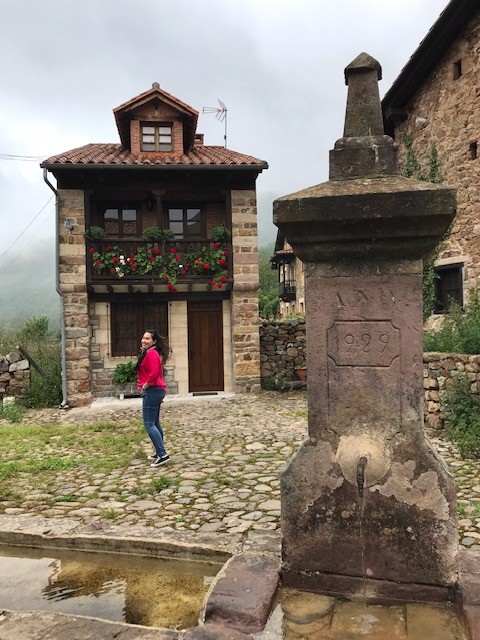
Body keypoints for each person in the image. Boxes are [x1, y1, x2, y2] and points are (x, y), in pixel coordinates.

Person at [136, 329, 171, 468]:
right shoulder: (151, 352)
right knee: (155, 423)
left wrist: (146, 385)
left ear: (154, 341)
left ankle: (163, 454)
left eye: (147, 339)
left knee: (149, 424)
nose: (144, 340)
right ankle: (159, 452)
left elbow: (155, 372)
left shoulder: (151, 353)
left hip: (153, 390)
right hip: (156, 390)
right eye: (143, 338)